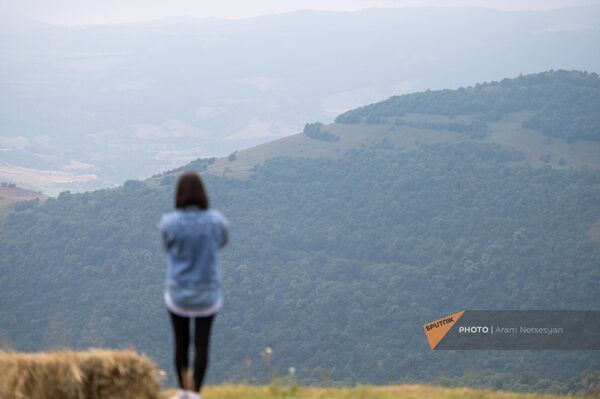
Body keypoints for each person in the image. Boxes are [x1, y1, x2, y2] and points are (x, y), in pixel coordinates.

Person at [159, 172, 229, 399]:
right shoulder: (216, 221)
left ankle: (182, 391)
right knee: (201, 344)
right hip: (208, 293)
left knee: (180, 343)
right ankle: (196, 393)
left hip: (178, 292)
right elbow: (223, 241)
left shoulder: (169, 222)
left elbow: (167, 245)